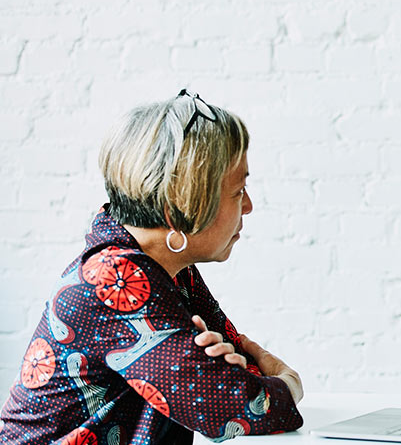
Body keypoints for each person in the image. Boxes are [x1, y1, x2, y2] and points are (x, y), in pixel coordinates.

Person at [0, 90, 304, 443]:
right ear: (183, 204)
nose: (248, 206)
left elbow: (237, 367)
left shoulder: (168, 268)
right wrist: (287, 382)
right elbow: (234, 408)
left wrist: (231, 382)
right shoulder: (115, 279)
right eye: (238, 191)